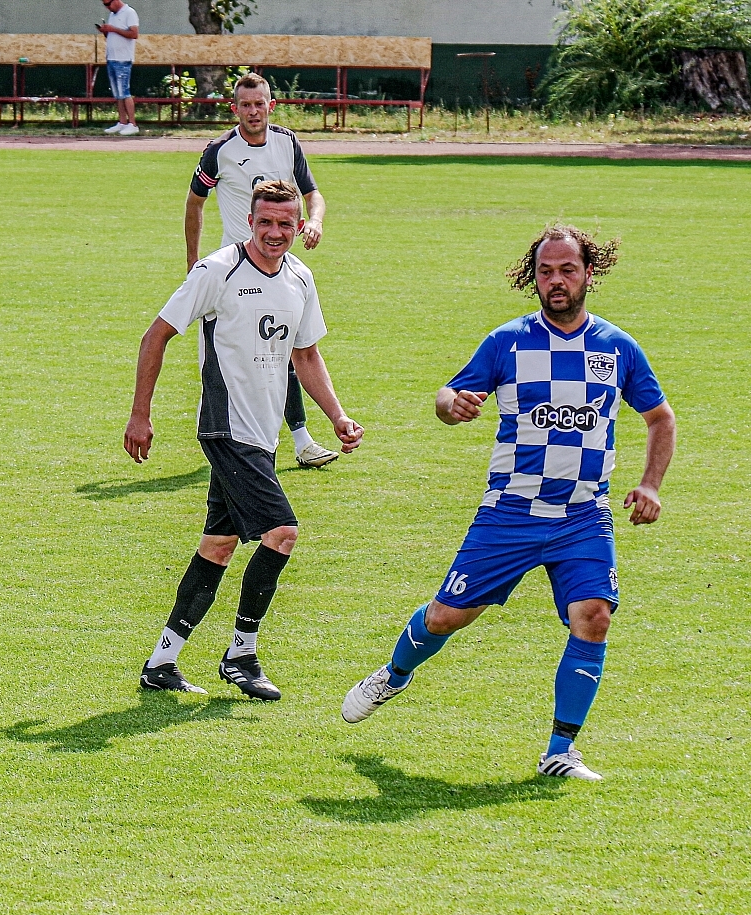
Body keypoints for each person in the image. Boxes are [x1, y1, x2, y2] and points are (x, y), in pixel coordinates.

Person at [341, 227, 675, 782]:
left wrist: (651, 484)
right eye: (546, 272)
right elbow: (447, 395)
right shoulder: (508, 341)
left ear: (589, 273)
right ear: (533, 277)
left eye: (567, 270)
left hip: (583, 516)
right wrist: (453, 405)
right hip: (510, 513)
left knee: (594, 617)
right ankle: (395, 674)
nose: (556, 281)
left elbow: (660, 418)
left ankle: (560, 750)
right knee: (446, 617)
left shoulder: (617, 348)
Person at [126, 180, 362, 699]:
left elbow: (306, 355)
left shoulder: (300, 278)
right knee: (283, 532)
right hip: (226, 427)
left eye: (285, 223)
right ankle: (241, 654)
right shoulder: (217, 270)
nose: (275, 232)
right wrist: (140, 414)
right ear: (250, 222)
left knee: (219, 545)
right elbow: (155, 335)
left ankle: (161, 662)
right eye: (266, 222)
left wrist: (337, 417)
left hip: (263, 433)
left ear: (299, 226)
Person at [187, 72, 334, 469]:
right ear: (234, 108)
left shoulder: (288, 142)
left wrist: (315, 220)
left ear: (272, 106)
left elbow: (313, 193)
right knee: (240, 359)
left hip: (277, 266)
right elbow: (195, 202)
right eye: (245, 105)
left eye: (259, 104)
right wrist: (193, 263)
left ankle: (299, 441)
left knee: (283, 350)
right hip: (235, 271)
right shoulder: (219, 151)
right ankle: (223, 435)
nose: (253, 111)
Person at [98, 0, 139, 135]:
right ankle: (122, 122)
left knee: (125, 92)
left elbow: (134, 34)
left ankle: (132, 123)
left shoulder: (129, 12)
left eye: (108, 4)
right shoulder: (113, 15)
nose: (107, 7)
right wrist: (106, 31)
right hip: (111, 58)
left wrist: (113, 29)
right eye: (105, 5)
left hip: (123, 59)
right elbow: (112, 35)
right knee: (118, 94)